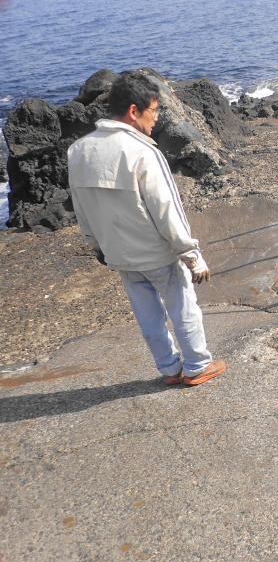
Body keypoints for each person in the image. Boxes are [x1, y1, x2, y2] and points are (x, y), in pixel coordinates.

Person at [67, 71, 226, 386]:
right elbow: (167, 210)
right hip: (158, 253)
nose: (156, 118)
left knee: (148, 316)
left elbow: (80, 206)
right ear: (133, 111)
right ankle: (196, 365)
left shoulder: (78, 151)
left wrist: (96, 246)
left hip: (118, 254)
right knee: (183, 308)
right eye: (154, 111)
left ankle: (169, 368)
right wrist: (191, 254)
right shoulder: (143, 152)